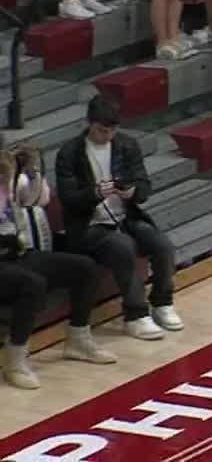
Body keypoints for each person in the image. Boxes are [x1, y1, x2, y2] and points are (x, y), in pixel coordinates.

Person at [54, 95, 183, 341]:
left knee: (163, 245)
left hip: (126, 217)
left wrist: (132, 192)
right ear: (90, 124)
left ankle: (162, 302)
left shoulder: (126, 145)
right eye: (102, 131)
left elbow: (144, 184)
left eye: (112, 131)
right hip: (89, 226)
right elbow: (69, 198)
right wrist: (94, 194)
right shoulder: (69, 153)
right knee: (123, 247)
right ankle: (135, 315)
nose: (108, 136)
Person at [0, 145, 117, 390]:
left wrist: (29, 171)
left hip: (16, 254)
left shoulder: (8, 185)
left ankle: (78, 339)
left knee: (83, 267)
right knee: (32, 283)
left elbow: (36, 200)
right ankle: (15, 360)